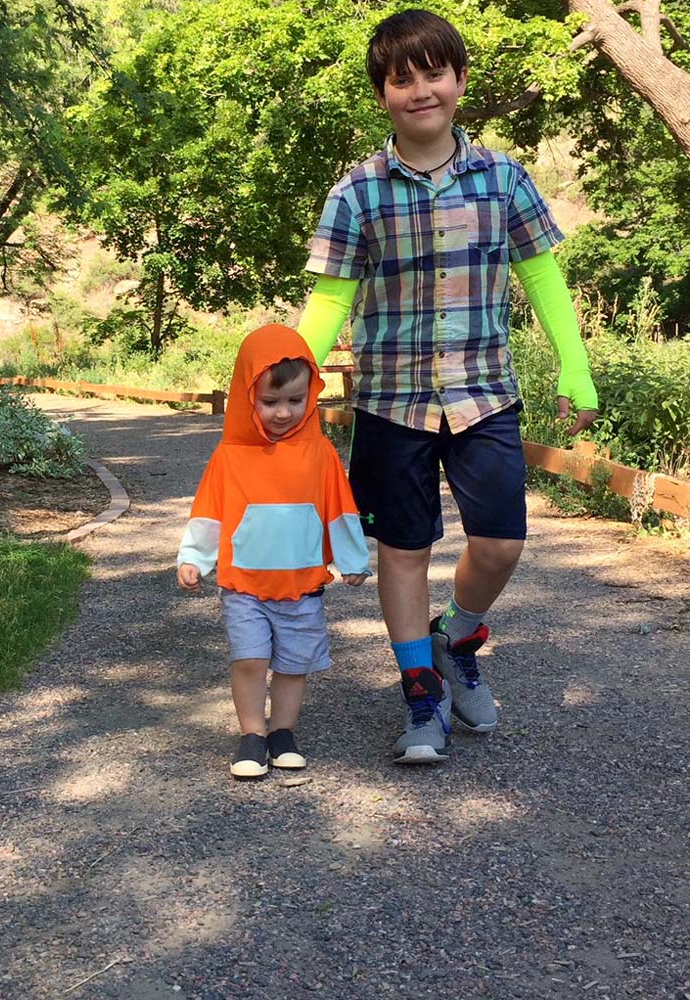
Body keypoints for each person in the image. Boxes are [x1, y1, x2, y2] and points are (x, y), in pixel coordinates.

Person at [297, 8, 598, 764]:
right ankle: (422, 700)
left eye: (435, 73)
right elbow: (330, 302)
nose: (420, 90)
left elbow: (542, 277)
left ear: (460, 81)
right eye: (402, 79)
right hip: (391, 402)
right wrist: (291, 384)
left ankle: (454, 638)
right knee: (403, 550)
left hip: (484, 393)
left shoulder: (505, 178)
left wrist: (576, 365)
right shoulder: (356, 193)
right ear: (383, 95)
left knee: (499, 544)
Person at [177, 324, 371, 778]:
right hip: (243, 584)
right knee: (249, 660)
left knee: (292, 665)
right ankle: (252, 735)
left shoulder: (319, 452)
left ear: (311, 396)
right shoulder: (230, 455)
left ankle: (283, 732)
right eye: (269, 402)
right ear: (248, 399)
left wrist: (352, 559)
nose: (283, 412)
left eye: (295, 401)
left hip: (301, 586)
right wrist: (194, 558)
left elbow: (338, 509)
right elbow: (210, 512)